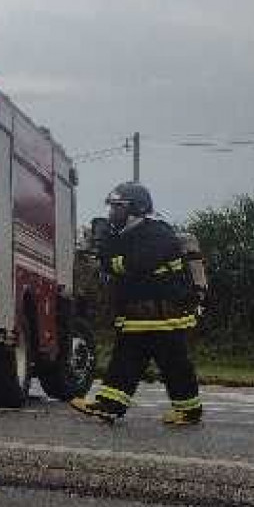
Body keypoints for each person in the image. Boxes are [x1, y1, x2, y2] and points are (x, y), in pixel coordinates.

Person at [69, 182, 202, 427]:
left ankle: (189, 411)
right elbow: (114, 267)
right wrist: (104, 247)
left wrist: (107, 252)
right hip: (140, 318)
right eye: (111, 208)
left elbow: (134, 265)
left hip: (165, 318)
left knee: (175, 365)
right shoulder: (127, 235)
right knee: (125, 361)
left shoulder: (157, 233)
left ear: (136, 208)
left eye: (117, 208)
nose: (112, 214)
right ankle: (110, 406)